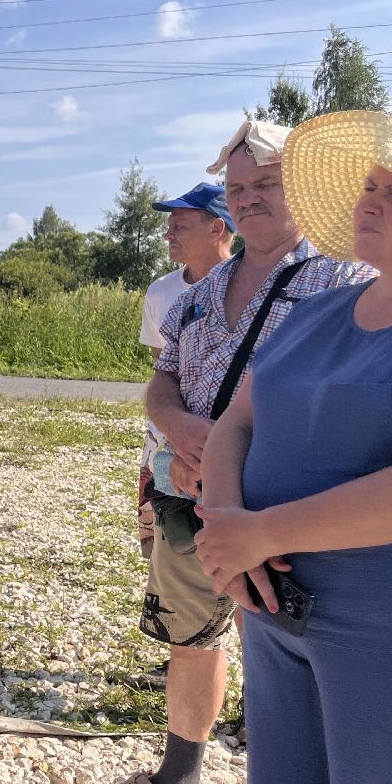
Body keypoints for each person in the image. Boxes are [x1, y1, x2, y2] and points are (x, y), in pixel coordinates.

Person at [86, 120, 372, 784]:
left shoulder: (346, 279)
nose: (247, 198)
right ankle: (178, 780)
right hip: (189, 499)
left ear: (304, 186)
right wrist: (181, 429)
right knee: (192, 638)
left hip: (282, 513)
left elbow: (354, 401)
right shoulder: (202, 290)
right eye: (237, 187)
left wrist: (232, 461)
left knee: (288, 650)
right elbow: (163, 381)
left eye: (265, 183)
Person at [194, 110, 392, 784]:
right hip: (275, 615)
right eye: (368, 186)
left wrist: (261, 534)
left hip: (388, 631)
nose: (371, 201)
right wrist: (227, 531)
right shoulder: (318, 311)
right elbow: (235, 424)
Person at [136, 184, 237, 561]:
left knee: (229, 556)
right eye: (169, 226)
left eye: (179, 225)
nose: (168, 234)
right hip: (164, 443)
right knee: (170, 548)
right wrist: (176, 433)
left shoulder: (254, 287)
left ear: (217, 228)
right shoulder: (160, 291)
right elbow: (162, 368)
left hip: (230, 445)